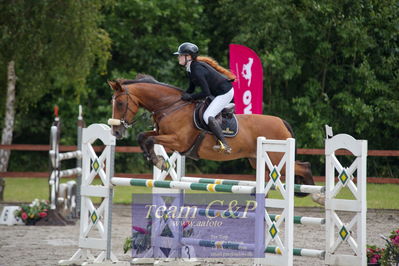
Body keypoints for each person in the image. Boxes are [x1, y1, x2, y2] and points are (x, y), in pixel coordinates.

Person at [174, 42, 236, 154]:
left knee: (208, 116)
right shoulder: (190, 68)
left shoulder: (197, 70)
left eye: (180, 55)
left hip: (224, 92)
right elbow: (191, 88)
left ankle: (224, 144)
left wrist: (190, 97)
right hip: (216, 92)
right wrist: (180, 97)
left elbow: (206, 93)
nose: (178, 57)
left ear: (188, 57)